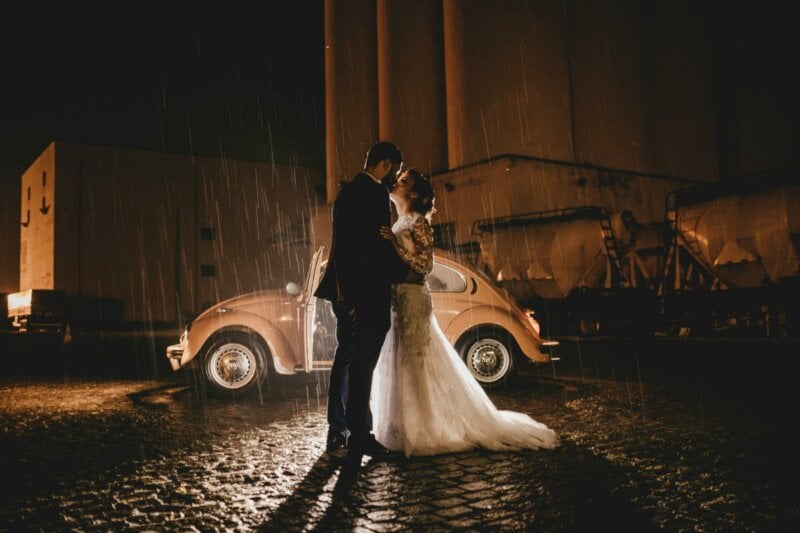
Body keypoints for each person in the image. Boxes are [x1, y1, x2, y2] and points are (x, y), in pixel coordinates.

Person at [371, 168, 559, 456]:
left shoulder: (419, 222)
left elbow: (424, 266)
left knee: (415, 362)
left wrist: (394, 247)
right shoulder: (400, 222)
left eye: (404, 181)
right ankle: (399, 427)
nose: (396, 183)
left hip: (412, 298)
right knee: (398, 361)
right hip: (397, 299)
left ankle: (423, 429)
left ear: (416, 194)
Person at [313, 141, 416, 462]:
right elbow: (370, 250)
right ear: (385, 164)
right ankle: (360, 435)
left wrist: (345, 294)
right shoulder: (373, 195)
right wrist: (407, 269)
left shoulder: (346, 193)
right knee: (362, 365)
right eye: (395, 170)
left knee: (346, 360)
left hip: (344, 290)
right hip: (365, 294)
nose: (395, 176)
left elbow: (345, 248)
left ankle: (339, 428)